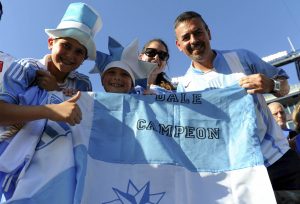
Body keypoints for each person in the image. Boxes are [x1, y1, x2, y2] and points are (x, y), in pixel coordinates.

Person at [174, 11, 300, 190]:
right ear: (179, 45)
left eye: (198, 32)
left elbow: (284, 86)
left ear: (208, 33)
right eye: (186, 37)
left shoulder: (242, 57)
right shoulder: (184, 88)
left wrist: (272, 85)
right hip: (238, 174)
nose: (193, 40)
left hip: (278, 159)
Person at [0, 2, 102, 126]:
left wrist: (56, 90)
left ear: (84, 59)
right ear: (50, 43)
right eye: (66, 45)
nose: (70, 55)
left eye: (79, 52)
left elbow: (84, 123)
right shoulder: (26, 67)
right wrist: (49, 111)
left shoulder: (83, 84)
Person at [90, 37, 156, 94]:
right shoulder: (89, 103)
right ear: (102, 80)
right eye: (111, 72)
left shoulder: (145, 102)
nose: (117, 77)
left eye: (125, 74)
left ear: (132, 85)